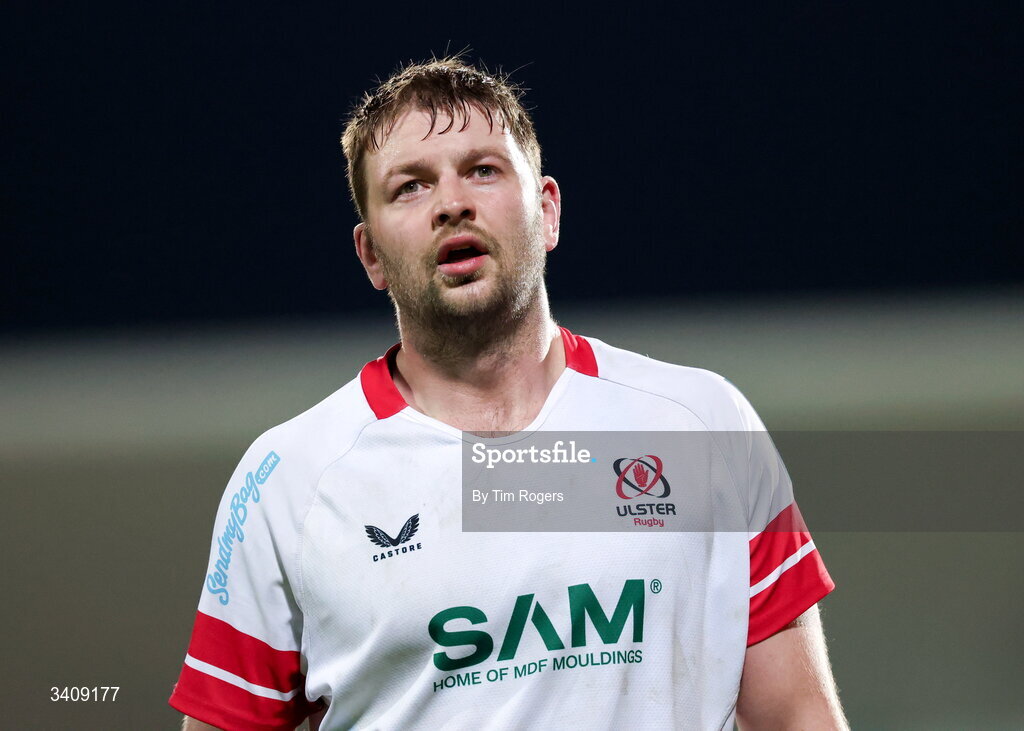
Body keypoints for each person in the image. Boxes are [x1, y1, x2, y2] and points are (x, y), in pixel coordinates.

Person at [170, 56, 847, 730]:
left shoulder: (701, 423)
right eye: (410, 186)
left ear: (547, 211)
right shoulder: (286, 482)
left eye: (483, 170)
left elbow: (799, 717)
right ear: (370, 255)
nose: (452, 203)